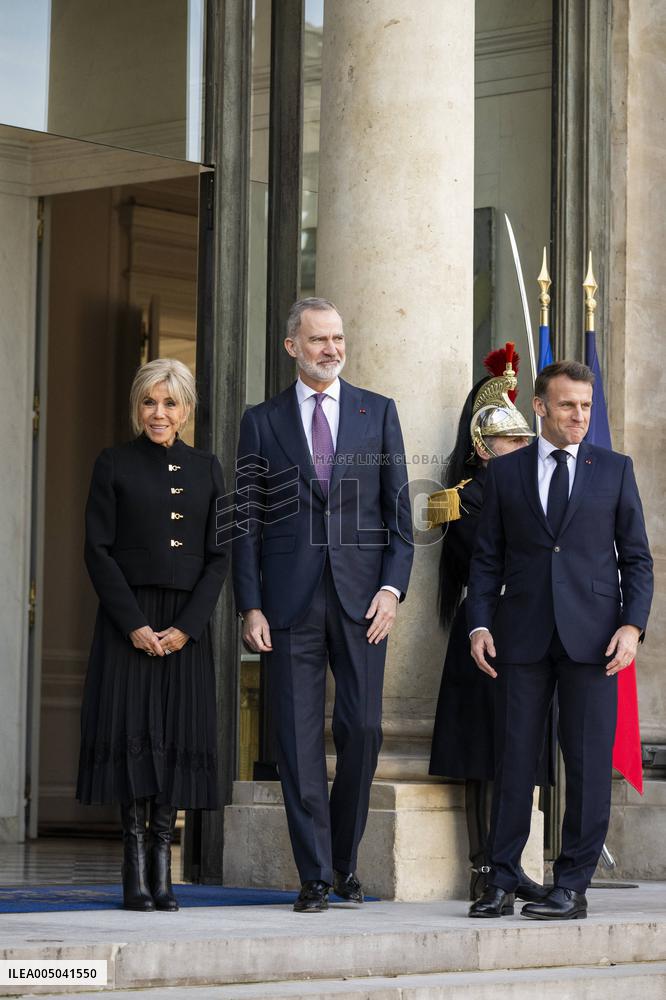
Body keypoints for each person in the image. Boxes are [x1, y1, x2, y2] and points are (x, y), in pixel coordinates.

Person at [233, 297, 413, 913]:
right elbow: (245, 522)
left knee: (363, 729)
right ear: (292, 347)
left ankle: (343, 860)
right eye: (317, 340)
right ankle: (315, 874)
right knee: (296, 737)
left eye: (337, 338)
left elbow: (400, 514)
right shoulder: (261, 421)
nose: (331, 349)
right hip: (288, 602)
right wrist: (251, 605)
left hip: (363, 601)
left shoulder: (378, 412)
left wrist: (392, 589)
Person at [467, 360, 653, 920]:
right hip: (519, 636)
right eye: (568, 404)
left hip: (595, 641)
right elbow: (486, 559)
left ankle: (572, 885)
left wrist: (632, 626)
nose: (579, 415)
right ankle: (501, 880)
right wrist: (479, 624)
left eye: (586, 406)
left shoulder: (615, 469)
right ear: (540, 407)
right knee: (514, 760)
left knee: (588, 764)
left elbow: (637, 559)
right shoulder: (506, 473)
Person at [77, 358, 229, 912]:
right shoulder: (113, 463)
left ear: (186, 410)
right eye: (149, 402)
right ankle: (134, 864)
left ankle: (164, 863)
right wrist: (134, 625)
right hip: (130, 622)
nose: (158, 413)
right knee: (132, 734)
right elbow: (97, 551)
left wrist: (187, 628)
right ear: (137, 407)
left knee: (174, 736)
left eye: (169, 403)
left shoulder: (208, 468)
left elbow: (220, 556)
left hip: (184, 625)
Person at [428, 344, 552, 903]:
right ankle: (485, 869)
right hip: (486, 630)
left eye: (527, 440)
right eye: (513, 441)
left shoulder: (536, 494)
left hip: (529, 629)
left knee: (520, 753)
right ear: (483, 447)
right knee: (482, 754)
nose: (525, 447)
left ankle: (512, 864)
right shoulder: (458, 501)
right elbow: (486, 560)